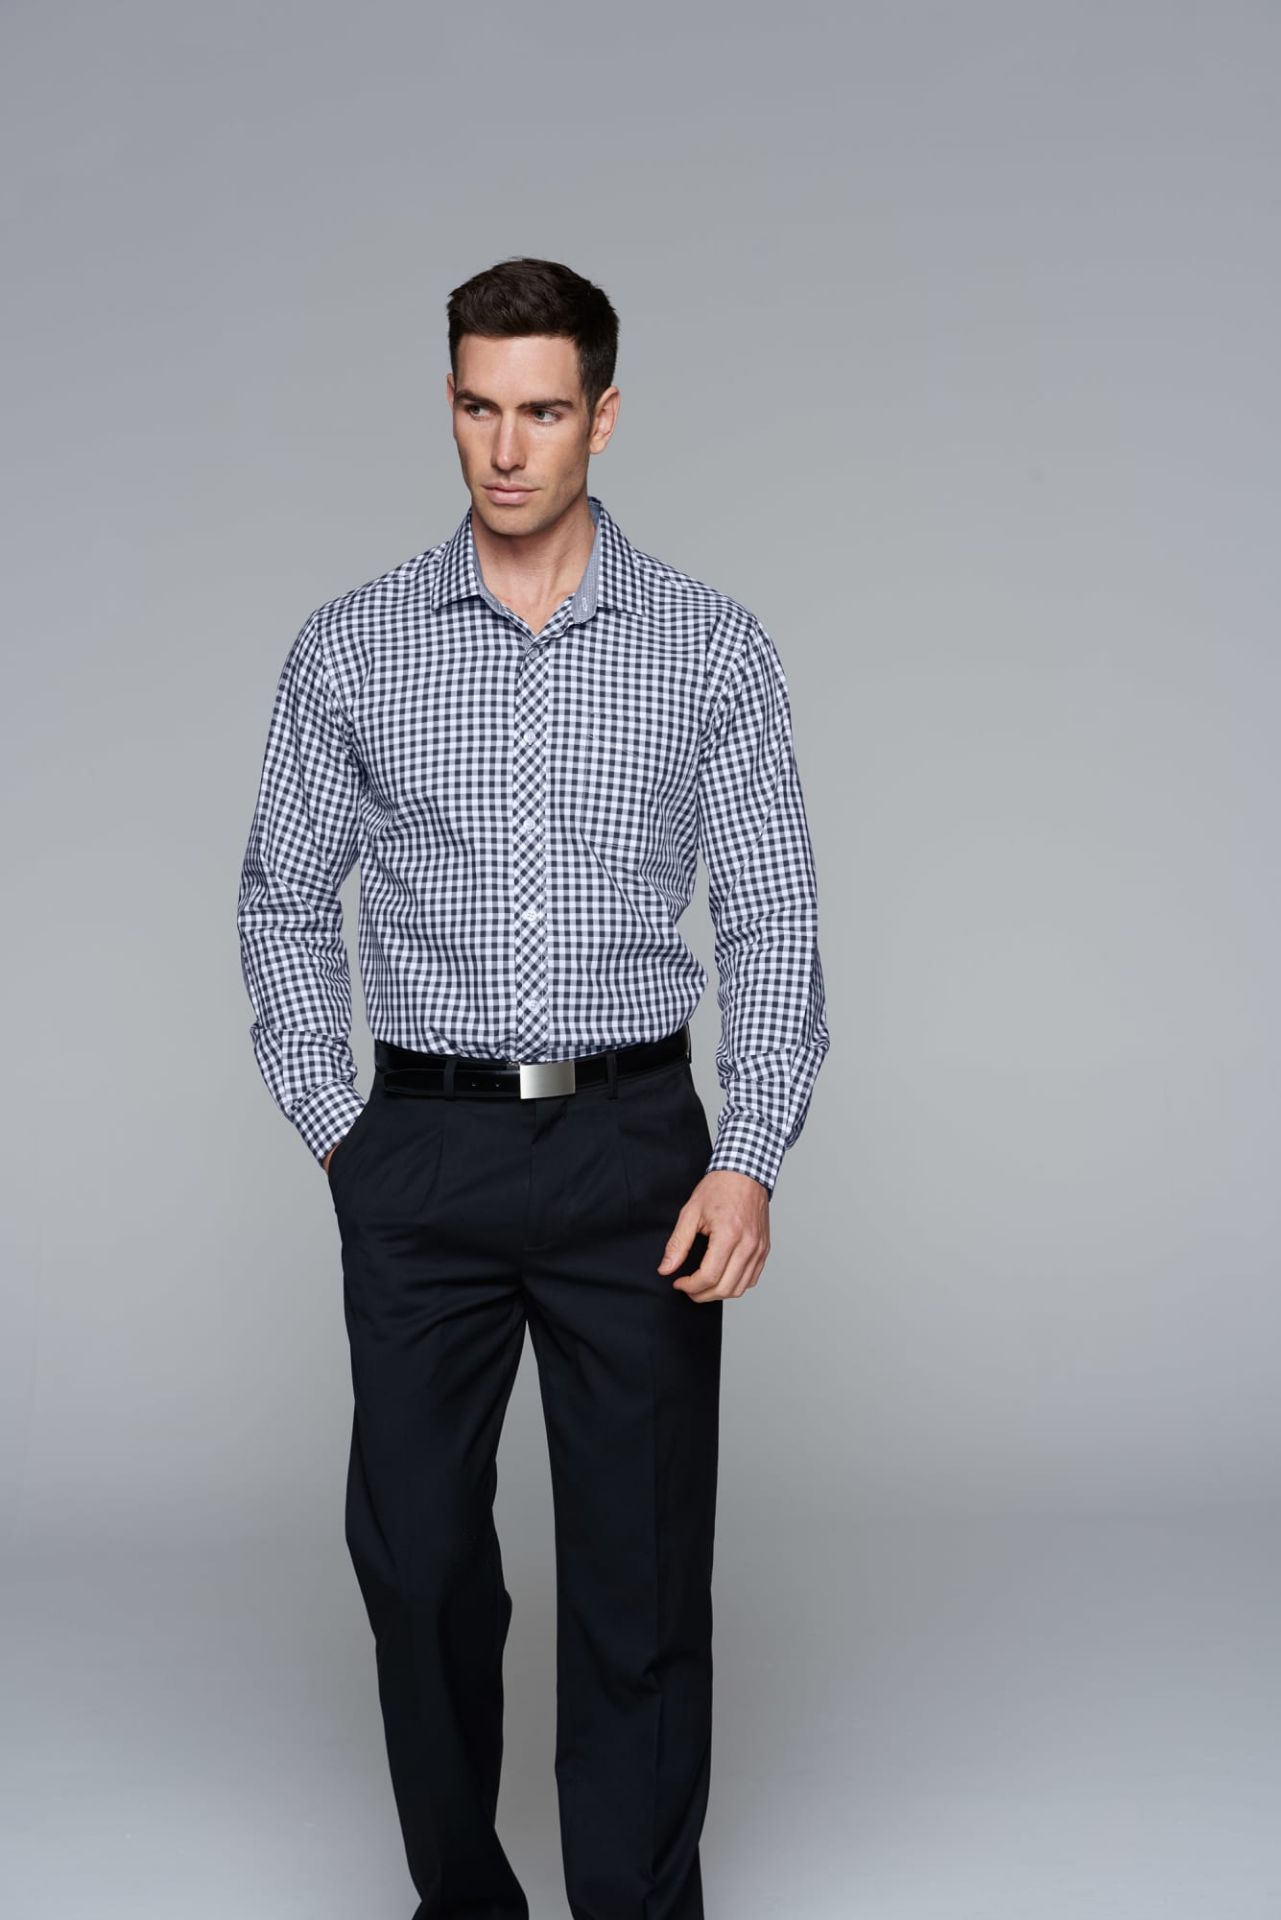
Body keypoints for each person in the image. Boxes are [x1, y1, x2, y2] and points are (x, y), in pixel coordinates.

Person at [235, 255, 830, 1920]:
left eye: (544, 411)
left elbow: (773, 917)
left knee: (638, 1582)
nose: (507, 449)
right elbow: (282, 904)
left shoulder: (707, 645)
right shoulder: (350, 646)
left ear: (603, 418)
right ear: (449, 406)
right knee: (417, 1565)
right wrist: (341, 1130)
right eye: (479, 408)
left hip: (636, 1148)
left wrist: (748, 1152)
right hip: (419, 1147)